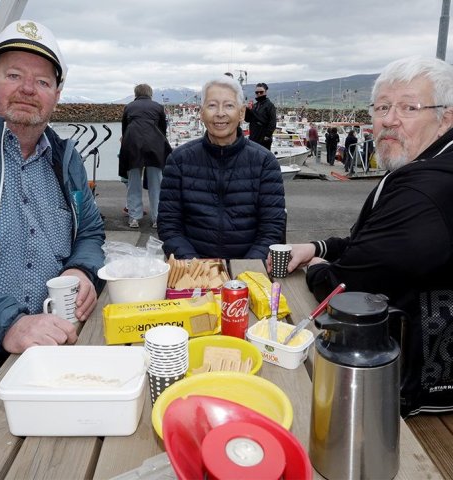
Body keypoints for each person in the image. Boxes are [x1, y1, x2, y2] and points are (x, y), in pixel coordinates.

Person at [268, 55, 453, 418]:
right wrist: (319, 246)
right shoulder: (428, 166)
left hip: (420, 387)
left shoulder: (426, 189)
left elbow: (348, 291)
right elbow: (373, 243)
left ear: (445, 117)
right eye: (382, 107)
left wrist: (319, 267)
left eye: (408, 107)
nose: (388, 120)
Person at [0, 20, 105, 397]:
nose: (28, 89)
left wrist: (82, 270)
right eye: (14, 74)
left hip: (61, 345)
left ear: (56, 95)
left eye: (43, 82)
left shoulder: (65, 159)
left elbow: (91, 233)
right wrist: (9, 323)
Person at [157, 76, 285, 260]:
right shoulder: (179, 160)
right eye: (212, 105)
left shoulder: (265, 162)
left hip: (249, 270)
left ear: (241, 113)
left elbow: (272, 228)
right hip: (193, 269)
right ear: (201, 113)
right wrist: (195, 266)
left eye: (229, 105)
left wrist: (245, 270)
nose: (220, 113)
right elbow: (169, 225)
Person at [118, 83, 171, 229]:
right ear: (150, 94)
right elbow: (162, 130)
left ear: (136, 94)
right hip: (154, 146)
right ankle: (157, 219)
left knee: (133, 183)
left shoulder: (129, 107)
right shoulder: (158, 107)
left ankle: (134, 218)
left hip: (132, 146)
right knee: (156, 184)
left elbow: (125, 129)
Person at [244, 82, 277, 150]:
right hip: (253, 138)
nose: (259, 94)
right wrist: (247, 110)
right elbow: (247, 119)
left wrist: (267, 136)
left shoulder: (270, 105)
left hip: (264, 140)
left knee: (263, 159)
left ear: (265, 92)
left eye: (261, 92)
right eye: (257, 92)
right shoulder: (255, 105)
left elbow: (272, 123)